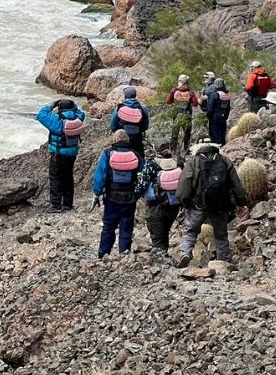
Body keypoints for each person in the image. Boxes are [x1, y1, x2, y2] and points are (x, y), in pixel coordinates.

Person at [176, 141, 248, 266]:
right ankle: (223, 262)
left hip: (198, 205)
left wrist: (185, 202)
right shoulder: (225, 161)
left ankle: (185, 253)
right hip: (221, 205)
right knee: (221, 235)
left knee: (191, 231)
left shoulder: (194, 161)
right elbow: (236, 184)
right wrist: (241, 202)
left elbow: (185, 183)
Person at [92, 129, 143, 259]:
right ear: (127, 141)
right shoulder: (135, 155)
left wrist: (97, 193)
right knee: (126, 228)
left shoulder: (107, 154)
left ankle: (103, 254)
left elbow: (100, 176)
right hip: (130, 197)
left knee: (108, 227)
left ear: (114, 140)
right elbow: (144, 175)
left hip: (111, 198)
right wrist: (139, 194)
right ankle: (124, 254)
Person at [36, 98, 86, 212]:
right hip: (72, 153)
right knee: (68, 177)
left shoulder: (56, 121)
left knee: (55, 178)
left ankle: (56, 205)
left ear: (60, 108)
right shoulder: (78, 118)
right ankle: (68, 204)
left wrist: (51, 105)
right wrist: (74, 105)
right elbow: (81, 113)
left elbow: (41, 115)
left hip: (58, 153)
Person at [138, 140, 182, 263]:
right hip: (174, 205)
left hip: (156, 206)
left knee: (157, 237)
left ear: (155, 149)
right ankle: (165, 258)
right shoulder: (178, 163)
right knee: (165, 232)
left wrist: (135, 196)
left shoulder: (151, 164)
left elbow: (141, 185)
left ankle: (162, 265)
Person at [110, 86, 151, 158]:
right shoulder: (142, 108)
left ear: (125, 96)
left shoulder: (119, 108)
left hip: (122, 138)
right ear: (135, 95)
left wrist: (118, 132)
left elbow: (113, 126)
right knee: (139, 157)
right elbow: (145, 126)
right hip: (137, 138)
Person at [165, 74, 198, 156]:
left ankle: (173, 150)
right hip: (187, 115)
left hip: (176, 115)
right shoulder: (190, 92)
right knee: (187, 133)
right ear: (186, 82)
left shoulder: (174, 91)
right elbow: (195, 104)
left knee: (175, 134)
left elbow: (168, 101)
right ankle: (186, 150)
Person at [203, 78, 232, 144]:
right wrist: (226, 117)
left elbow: (210, 108)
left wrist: (208, 117)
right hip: (223, 118)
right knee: (222, 134)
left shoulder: (214, 95)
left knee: (214, 135)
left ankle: (216, 149)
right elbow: (228, 108)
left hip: (214, 118)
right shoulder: (226, 95)